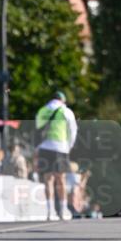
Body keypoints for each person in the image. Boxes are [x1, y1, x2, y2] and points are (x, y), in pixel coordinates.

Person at [35, 90, 78, 221]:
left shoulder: (43, 110)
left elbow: (37, 126)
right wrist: (69, 146)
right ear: (63, 100)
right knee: (61, 179)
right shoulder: (66, 111)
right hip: (60, 146)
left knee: (48, 179)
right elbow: (73, 130)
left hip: (44, 146)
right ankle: (63, 210)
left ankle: (50, 211)